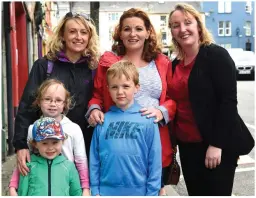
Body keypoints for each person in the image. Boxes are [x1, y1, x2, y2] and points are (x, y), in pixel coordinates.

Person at [86, 8, 176, 195]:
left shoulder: (162, 62)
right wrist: (94, 108)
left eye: (138, 29)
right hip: (118, 136)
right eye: (127, 29)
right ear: (120, 32)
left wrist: (162, 111)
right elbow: (97, 94)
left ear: (148, 32)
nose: (132, 34)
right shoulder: (109, 62)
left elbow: (173, 98)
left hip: (153, 137)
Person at [167, 3, 254, 196]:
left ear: (198, 26)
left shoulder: (216, 56)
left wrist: (217, 144)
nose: (182, 29)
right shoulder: (174, 65)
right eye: (175, 25)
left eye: (187, 22)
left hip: (215, 145)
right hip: (188, 146)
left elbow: (228, 102)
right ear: (171, 32)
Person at [12, 11, 99, 184]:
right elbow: (27, 107)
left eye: (83, 32)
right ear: (63, 35)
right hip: (47, 146)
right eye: (72, 31)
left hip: (85, 147)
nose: (78, 37)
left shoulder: (94, 68)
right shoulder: (45, 66)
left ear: (89, 37)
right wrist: (21, 144)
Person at [90, 60, 162, 196]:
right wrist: (95, 190)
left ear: (136, 87)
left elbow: (155, 160)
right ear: (108, 88)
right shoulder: (103, 121)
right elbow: (94, 158)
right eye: (114, 87)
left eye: (126, 86)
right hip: (106, 191)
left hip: (139, 191)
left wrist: (152, 192)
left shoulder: (147, 119)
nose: (120, 92)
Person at [9, 79, 90, 196]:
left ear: (65, 104)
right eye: (47, 99)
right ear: (39, 101)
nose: (53, 104)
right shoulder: (32, 129)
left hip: (65, 183)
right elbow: (25, 159)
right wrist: (13, 185)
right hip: (38, 184)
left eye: (58, 100)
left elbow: (81, 160)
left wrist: (85, 188)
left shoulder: (74, 129)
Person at [17, 117, 82, 196]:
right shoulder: (29, 166)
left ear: (63, 141)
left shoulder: (69, 167)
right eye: (44, 143)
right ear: (35, 144)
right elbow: (22, 192)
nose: (50, 148)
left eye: (55, 142)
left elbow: (76, 193)